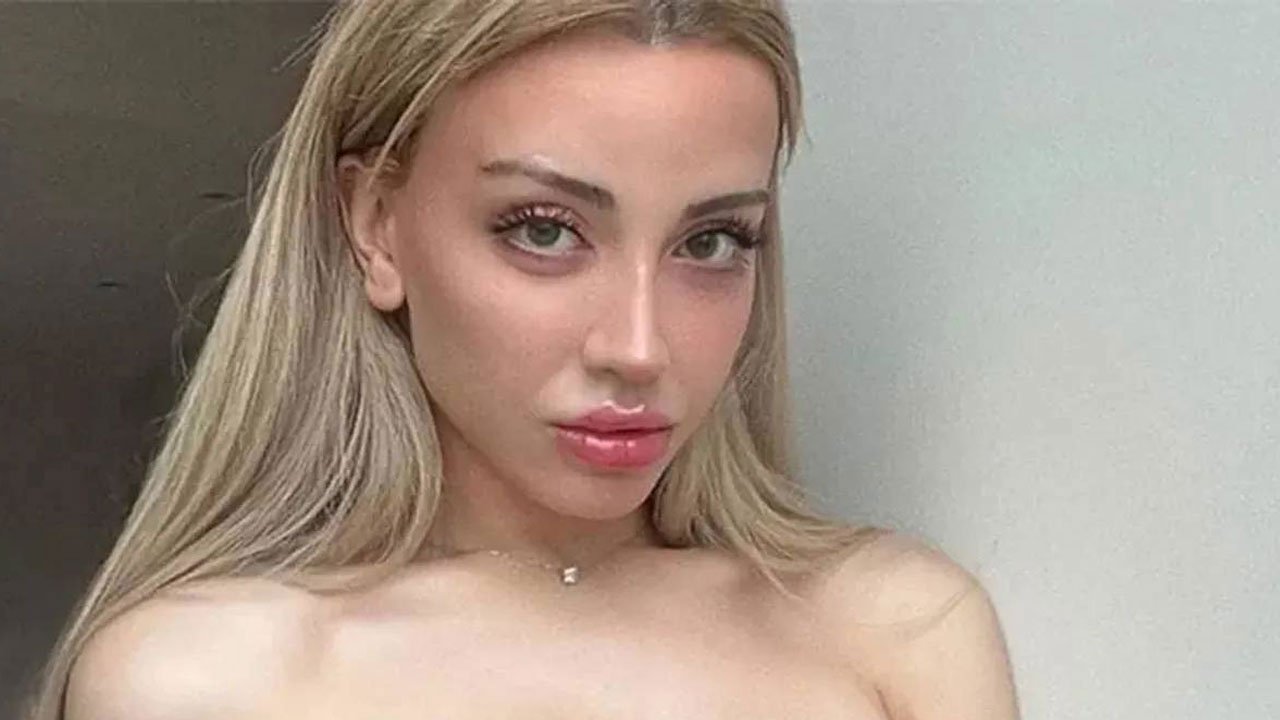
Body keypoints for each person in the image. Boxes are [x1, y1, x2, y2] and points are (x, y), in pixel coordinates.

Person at [22, 1, 1019, 718]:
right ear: (376, 225)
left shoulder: (900, 630)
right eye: (544, 230)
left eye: (711, 242)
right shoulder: (201, 680)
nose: (637, 348)